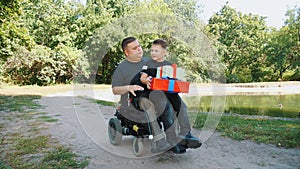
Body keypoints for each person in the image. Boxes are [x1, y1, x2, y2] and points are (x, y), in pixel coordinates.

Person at [132, 39, 202, 150]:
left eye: (157, 51)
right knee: (168, 109)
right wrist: (146, 80)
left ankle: (186, 133)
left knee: (182, 106)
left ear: (164, 52)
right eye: (152, 50)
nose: (153, 53)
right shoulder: (148, 64)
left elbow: (175, 79)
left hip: (170, 92)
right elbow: (143, 76)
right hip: (156, 93)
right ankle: (171, 140)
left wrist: (178, 81)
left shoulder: (170, 65)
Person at [111, 37, 175, 153]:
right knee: (147, 103)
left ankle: (173, 139)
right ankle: (159, 141)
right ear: (127, 52)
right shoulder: (121, 68)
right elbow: (115, 90)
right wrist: (128, 87)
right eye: (135, 48)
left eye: (139, 46)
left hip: (153, 94)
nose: (139, 49)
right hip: (134, 99)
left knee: (166, 101)